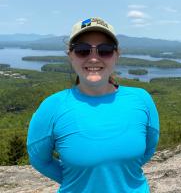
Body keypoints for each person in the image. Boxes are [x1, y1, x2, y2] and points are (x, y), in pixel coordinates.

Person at [27, 17, 159, 193]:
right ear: (70, 55)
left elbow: (149, 148)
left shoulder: (141, 99)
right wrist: (75, 178)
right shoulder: (52, 107)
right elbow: (39, 159)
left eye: (104, 50)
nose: (94, 58)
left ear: (116, 54)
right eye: (83, 50)